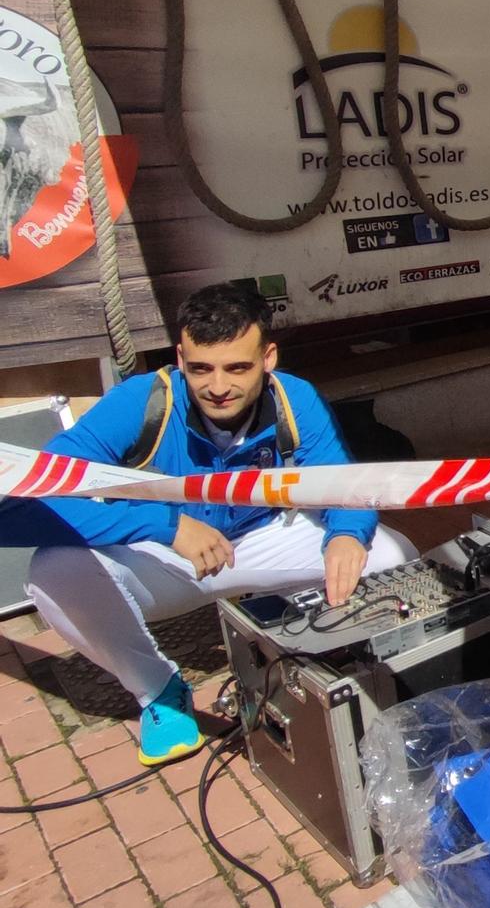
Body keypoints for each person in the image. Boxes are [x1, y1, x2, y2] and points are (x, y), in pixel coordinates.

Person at [4, 283, 413, 765]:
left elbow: (344, 485)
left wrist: (346, 532)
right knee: (53, 572)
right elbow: (22, 505)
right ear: (180, 358)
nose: (218, 387)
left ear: (269, 358)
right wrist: (163, 525)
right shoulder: (141, 401)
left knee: (391, 555)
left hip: (262, 539)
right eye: (201, 368)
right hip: (167, 557)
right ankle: (159, 691)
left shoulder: (294, 398)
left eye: (238, 367)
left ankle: (346, 662)